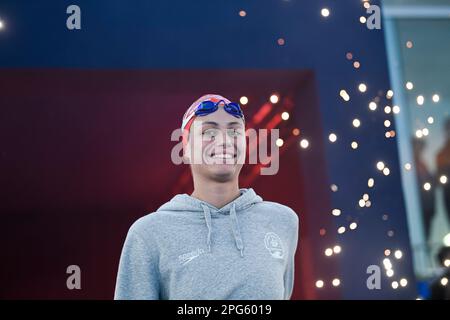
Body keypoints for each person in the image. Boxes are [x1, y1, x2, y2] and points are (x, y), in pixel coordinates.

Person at [114, 94, 300, 300]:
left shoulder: (282, 221)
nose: (223, 141)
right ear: (185, 148)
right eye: (209, 132)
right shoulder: (148, 234)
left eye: (234, 131)